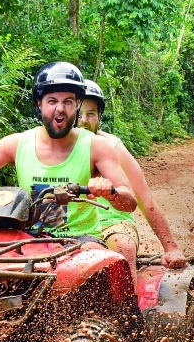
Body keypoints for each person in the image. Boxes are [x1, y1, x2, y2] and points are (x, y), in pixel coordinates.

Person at [0, 62, 138, 271]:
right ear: (39, 103)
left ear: (77, 104)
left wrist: (110, 192)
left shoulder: (96, 147)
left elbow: (129, 202)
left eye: (67, 101)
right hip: (28, 240)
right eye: (52, 101)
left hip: (82, 242)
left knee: (95, 271)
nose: (59, 109)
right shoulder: (16, 144)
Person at [78, 80, 187, 271]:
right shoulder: (53, 148)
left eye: (91, 114)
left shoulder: (112, 147)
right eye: (78, 114)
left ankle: (128, 301)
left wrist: (171, 247)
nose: (83, 120)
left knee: (123, 247)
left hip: (112, 224)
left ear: (100, 116)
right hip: (69, 226)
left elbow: (144, 197)